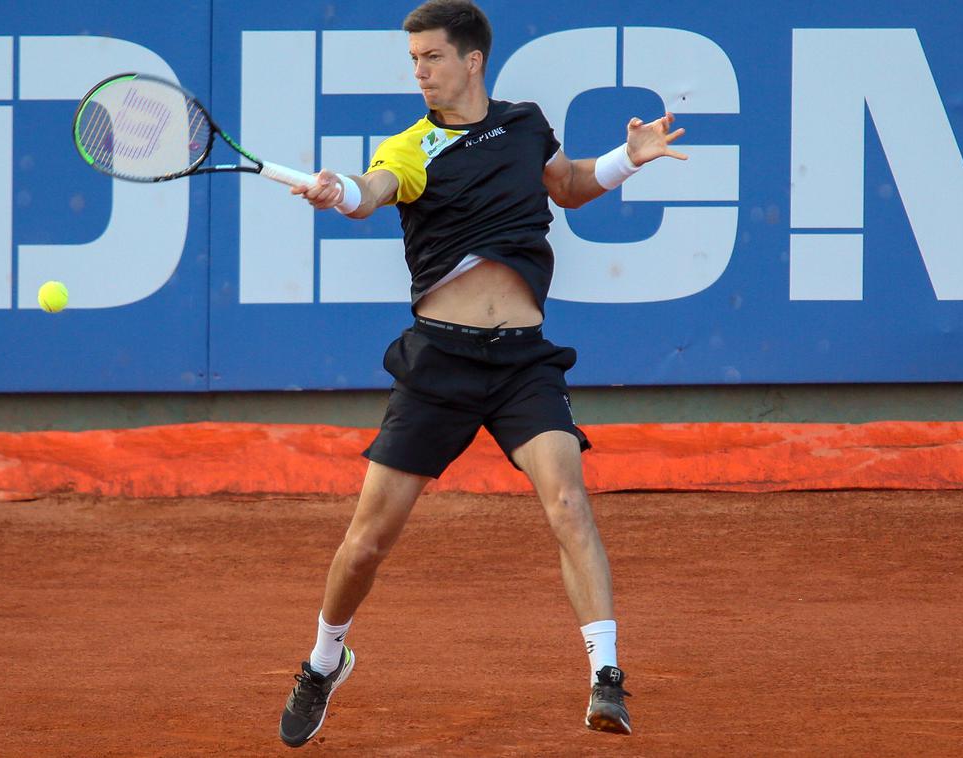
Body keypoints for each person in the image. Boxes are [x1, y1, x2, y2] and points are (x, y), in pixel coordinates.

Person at [278, 0, 686, 747]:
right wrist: (340, 190)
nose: (420, 72)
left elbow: (565, 185)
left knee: (568, 503)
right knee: (369, 540)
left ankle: (607, 677)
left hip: (524, 361)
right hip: (440, 362)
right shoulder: (410, 147)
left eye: (431, 57)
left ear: (472, 61)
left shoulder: (525, 123)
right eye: (413, 61)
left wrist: (630, 158)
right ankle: (323, 660)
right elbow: (372, 191)